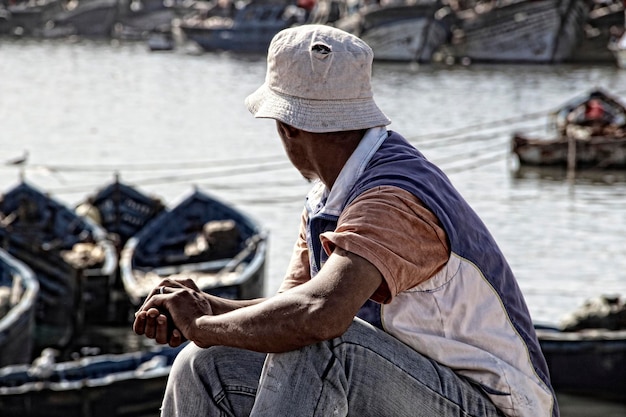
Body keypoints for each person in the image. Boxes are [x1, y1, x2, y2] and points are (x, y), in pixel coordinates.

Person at [133, 24, 559, 417]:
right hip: (414, 390)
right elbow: (289, 308)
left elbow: (320, 316)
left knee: (324, 344)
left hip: (490, 408)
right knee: (203, 364)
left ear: (286, 127)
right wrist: (206, 309)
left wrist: (203, 324)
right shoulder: (329, 193)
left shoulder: (392, 197)